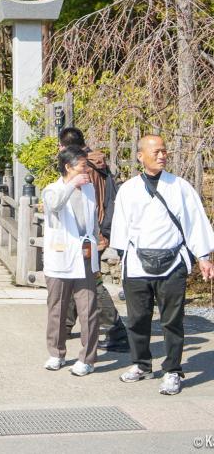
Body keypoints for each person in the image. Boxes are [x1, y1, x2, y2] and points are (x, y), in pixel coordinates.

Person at [111, 134, 214, 395]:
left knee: (172, 320)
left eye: (164, 151)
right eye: (155, 151)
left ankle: (172, 370)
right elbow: (121, 227)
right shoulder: (128, 189)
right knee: (137, 318)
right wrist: (123, 256)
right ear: (140, 156)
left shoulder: (180, 186)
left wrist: (203, 257)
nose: (161, 155)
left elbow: (195, 222)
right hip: (136, 262)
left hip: (172, 262)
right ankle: (141, 364)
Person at [58, 127, 129, 352]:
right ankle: (65, 325)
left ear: (65, 147)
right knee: (74, 277)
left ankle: (116, 331)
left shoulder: (84, 168)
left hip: (88, 234)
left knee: (92, 283)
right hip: (95, 232)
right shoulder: (98, 164)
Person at [42, 145, 100, 377]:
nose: (87, 170)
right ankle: (56, 353)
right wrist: (71, 185)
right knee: (57, 307)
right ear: (68, 167)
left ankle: (87, 358)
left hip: (84, 256)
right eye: (83, 166)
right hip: (61, 257)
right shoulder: (52, 189)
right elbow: (55, 205)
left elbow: (94, 218)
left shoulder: (89, 189)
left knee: (88, 308)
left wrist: (96, 239)